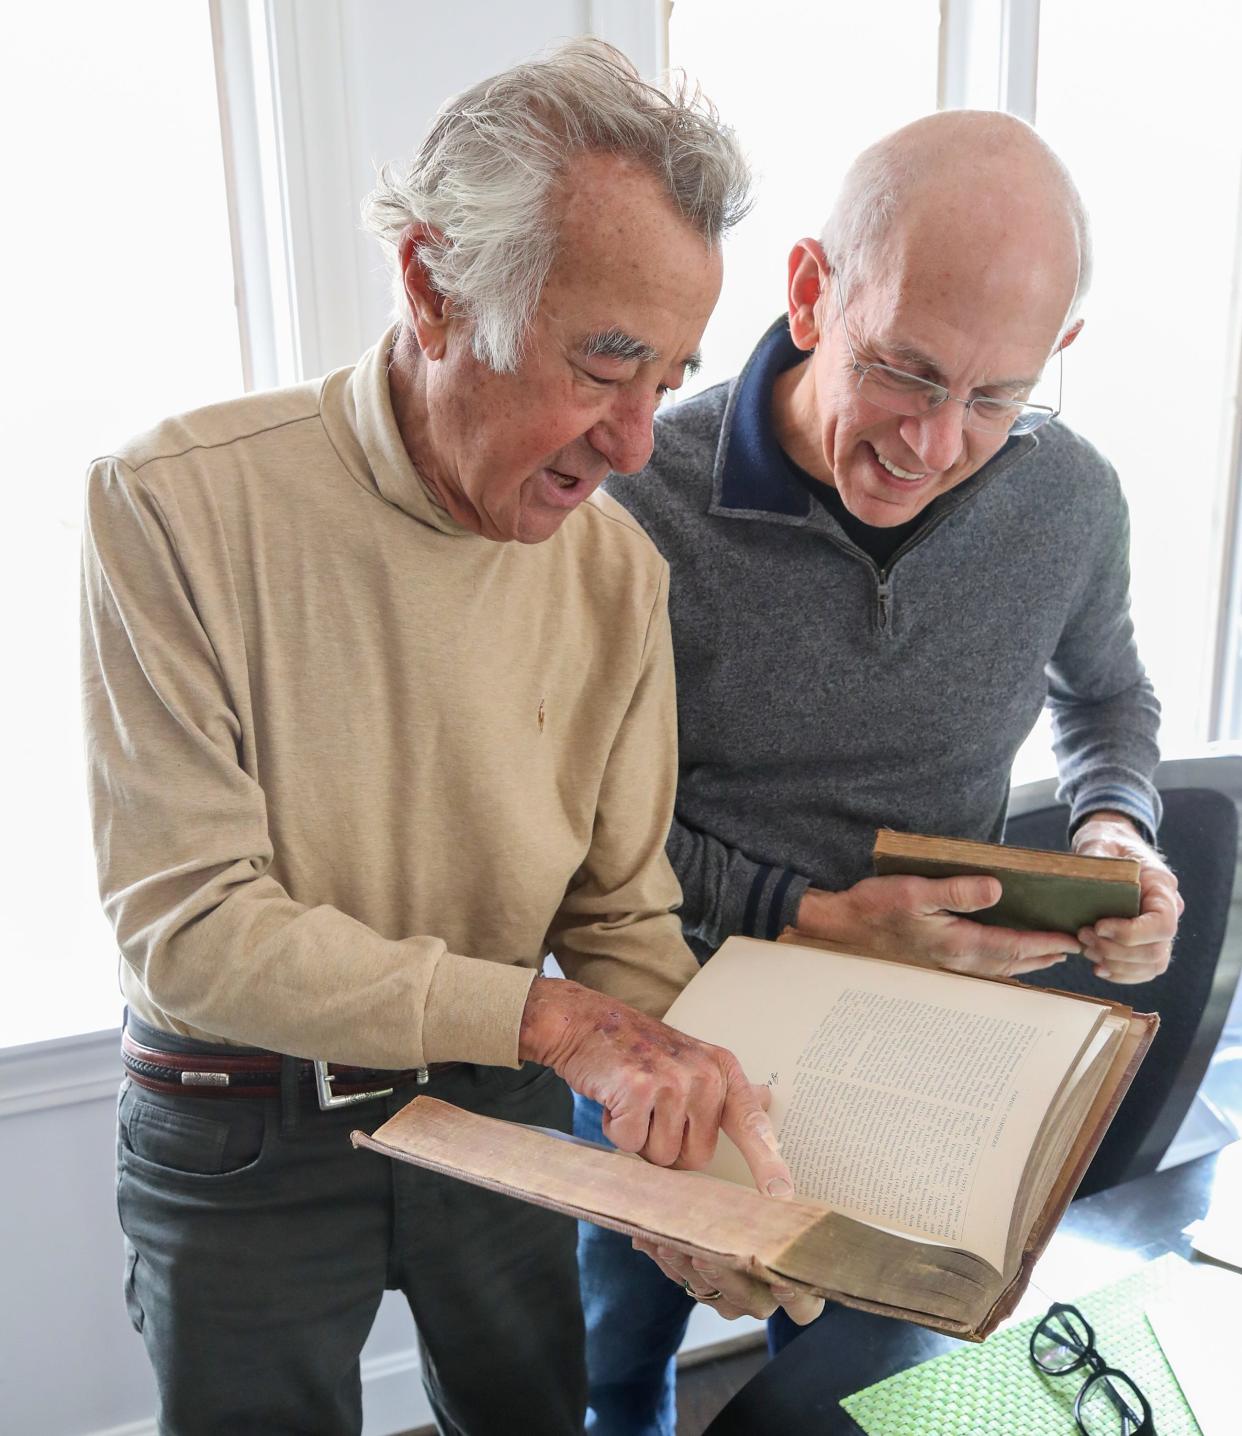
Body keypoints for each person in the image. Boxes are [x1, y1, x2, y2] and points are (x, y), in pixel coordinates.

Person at [80, 41, 820, 1436]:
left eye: (669, 377)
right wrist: (551, 1016)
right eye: (605, 361)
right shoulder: (169, 505)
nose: (634, 440)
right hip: (236, 1114)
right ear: (432, 285)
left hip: (498, 1102)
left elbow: (619, 918)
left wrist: (704, 1164)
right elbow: (188, 929)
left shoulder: (616, 575)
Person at [576, 109, 1184, 1435]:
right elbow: (579, 834)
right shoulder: (633, 507)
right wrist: (798, 906)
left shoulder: (1070, 500)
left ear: (1054, 359)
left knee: (885, 1385)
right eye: (903, 372)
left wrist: (1114, 826)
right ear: (808, 293)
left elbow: (1108, 703)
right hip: (663, 1018)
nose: (931, 441)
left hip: (932, 1046)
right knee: (609, 1370)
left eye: (994, 396)